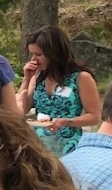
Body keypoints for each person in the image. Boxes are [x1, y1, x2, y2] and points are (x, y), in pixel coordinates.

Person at [22, 25, 101, 155]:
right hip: (40, 146)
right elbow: (21, 109)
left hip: (69, 145)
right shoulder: (37, 78)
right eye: (32, 54)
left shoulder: (81, 78)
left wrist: (67, 121)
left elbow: (94, 116)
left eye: (38, 54)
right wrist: (26, 79)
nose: (33, 59)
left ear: (54, 53)